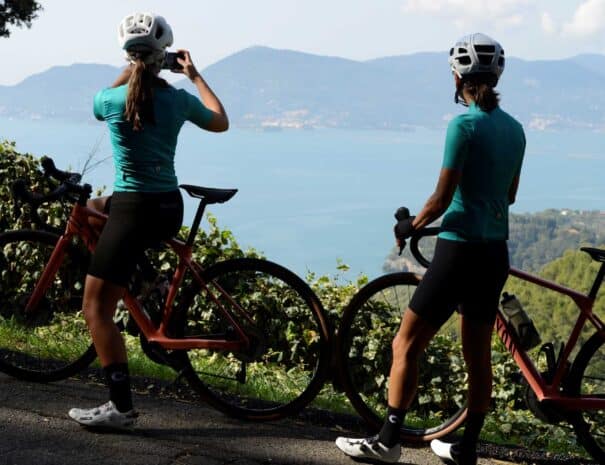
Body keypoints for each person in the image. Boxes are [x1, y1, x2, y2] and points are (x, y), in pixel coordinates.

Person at [335, 33, 525, 465]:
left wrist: (409, 226)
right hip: (495, 254)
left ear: (458, 78)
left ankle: (387, 440)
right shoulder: (515, 131)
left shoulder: (464, 125)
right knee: (477, 354)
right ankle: (466, 447)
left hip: (458, 252)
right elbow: (509, 196)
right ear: (495, 77)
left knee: (406, 343)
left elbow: (441, 198)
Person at [68, 12, 228, 429]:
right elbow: (221, 120)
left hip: (134, 211)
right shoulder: (178, 100)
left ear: (127, 55)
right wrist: (193, 75)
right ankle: (142, 278)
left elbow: (102, 104)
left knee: (95, 309)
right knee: (101, 206)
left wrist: (133, 68)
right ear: (164, 57)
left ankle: (120, 408)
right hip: (166, 208)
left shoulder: (110, 100)